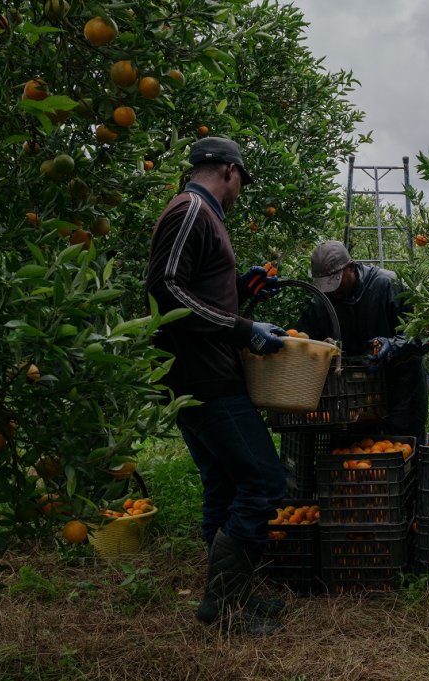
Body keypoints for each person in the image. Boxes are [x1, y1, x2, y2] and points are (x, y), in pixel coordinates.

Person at [145, 137, 287, 635]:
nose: (241, 193)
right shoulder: (191, 211)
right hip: (205, 378)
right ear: (229, 171)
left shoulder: (203, 217)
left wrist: (242, 290)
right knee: (266, 479)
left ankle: (228, 598)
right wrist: (245, 330)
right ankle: (225, 605)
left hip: (197, 372)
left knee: (223, 483)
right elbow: (167, 290)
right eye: (241, 182)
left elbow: (196, 291)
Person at [296, 240, 429, 442]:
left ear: (350, 267)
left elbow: (425, 334)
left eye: (335, 282)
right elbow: (303, 341)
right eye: (325, 286)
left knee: (401, 448)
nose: (332, 291)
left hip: (402, 388)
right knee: (355, 456)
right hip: (354, 394)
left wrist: (393, 346)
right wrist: (321, 347)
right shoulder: (321, 302)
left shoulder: (387, 285)